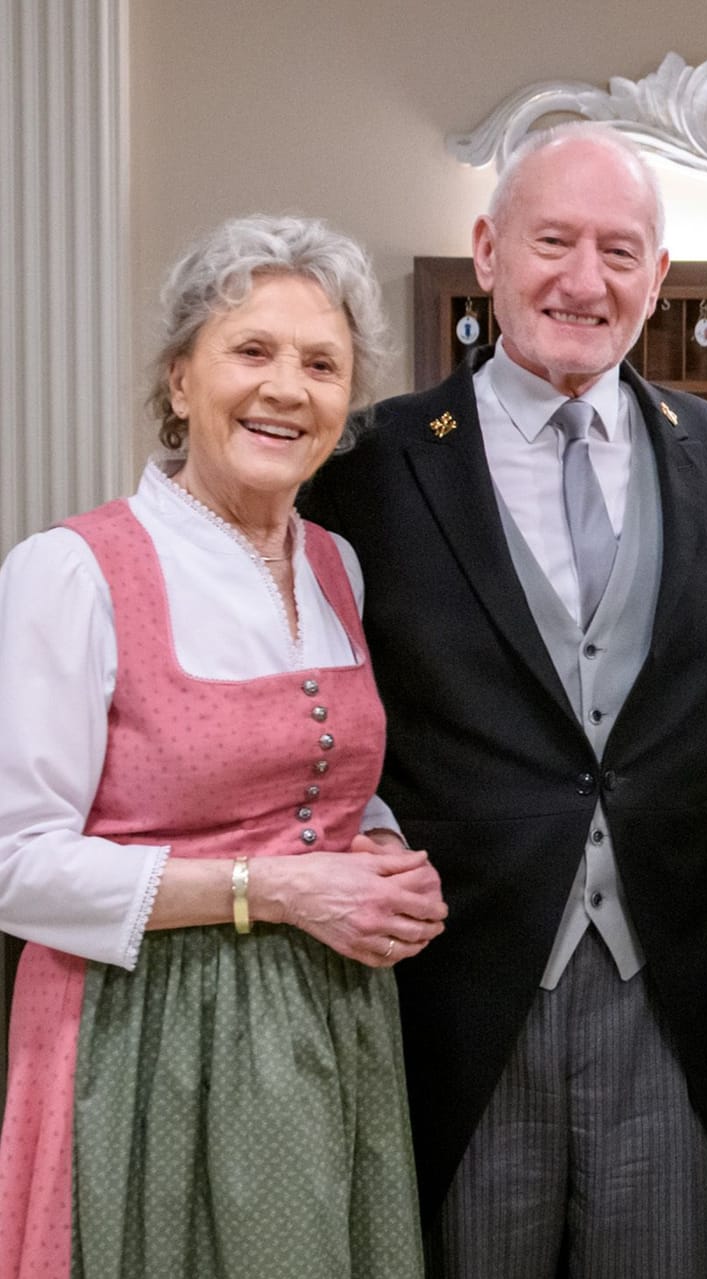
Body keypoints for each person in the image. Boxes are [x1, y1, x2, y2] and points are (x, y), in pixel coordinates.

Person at [299, 121, 707, 1276]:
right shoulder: (368, 463)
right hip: (456, 985)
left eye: (620, 250)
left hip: (659, 980)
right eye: (553, 239)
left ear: (660, 279)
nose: (584, 278)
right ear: (488, 252)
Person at [0, 213, 446, 1276]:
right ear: (180, 381)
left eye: (322, 363)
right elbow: (15, 866)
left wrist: (373, 848)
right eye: (252, 351)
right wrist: (279, 890)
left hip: (327, 1028)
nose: (287, 387)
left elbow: (321, 777)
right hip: (142, 1039)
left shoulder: (338, 563)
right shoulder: (73, 571)